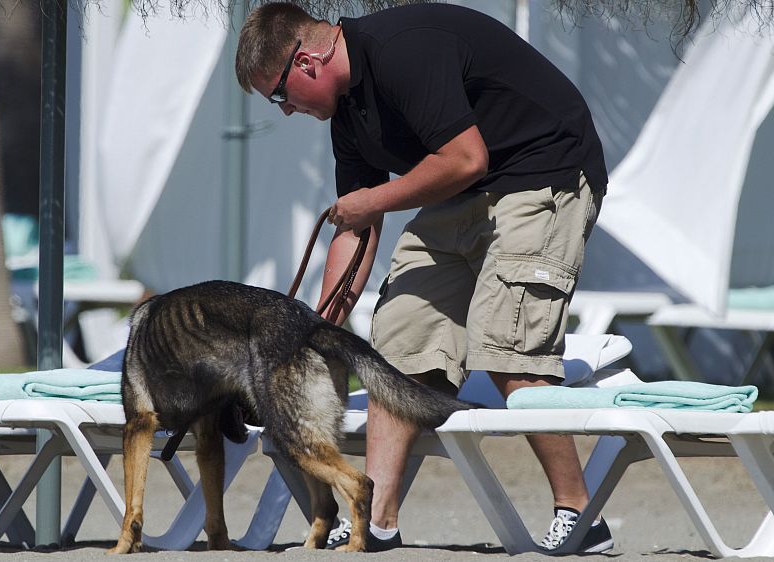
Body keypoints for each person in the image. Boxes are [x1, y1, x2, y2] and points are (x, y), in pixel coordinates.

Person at [236, 2, 612, 553]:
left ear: (308, 61)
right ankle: (376, 522)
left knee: (507, 348)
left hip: (543, 174)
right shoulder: (347, 114)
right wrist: (317, 330)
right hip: (461, 193)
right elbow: (358, 223)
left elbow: (464, 157)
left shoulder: (401, 50)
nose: (286, 110)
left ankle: (581, 516)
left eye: (278, 94)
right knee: (396, 349)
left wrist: (370, 199)